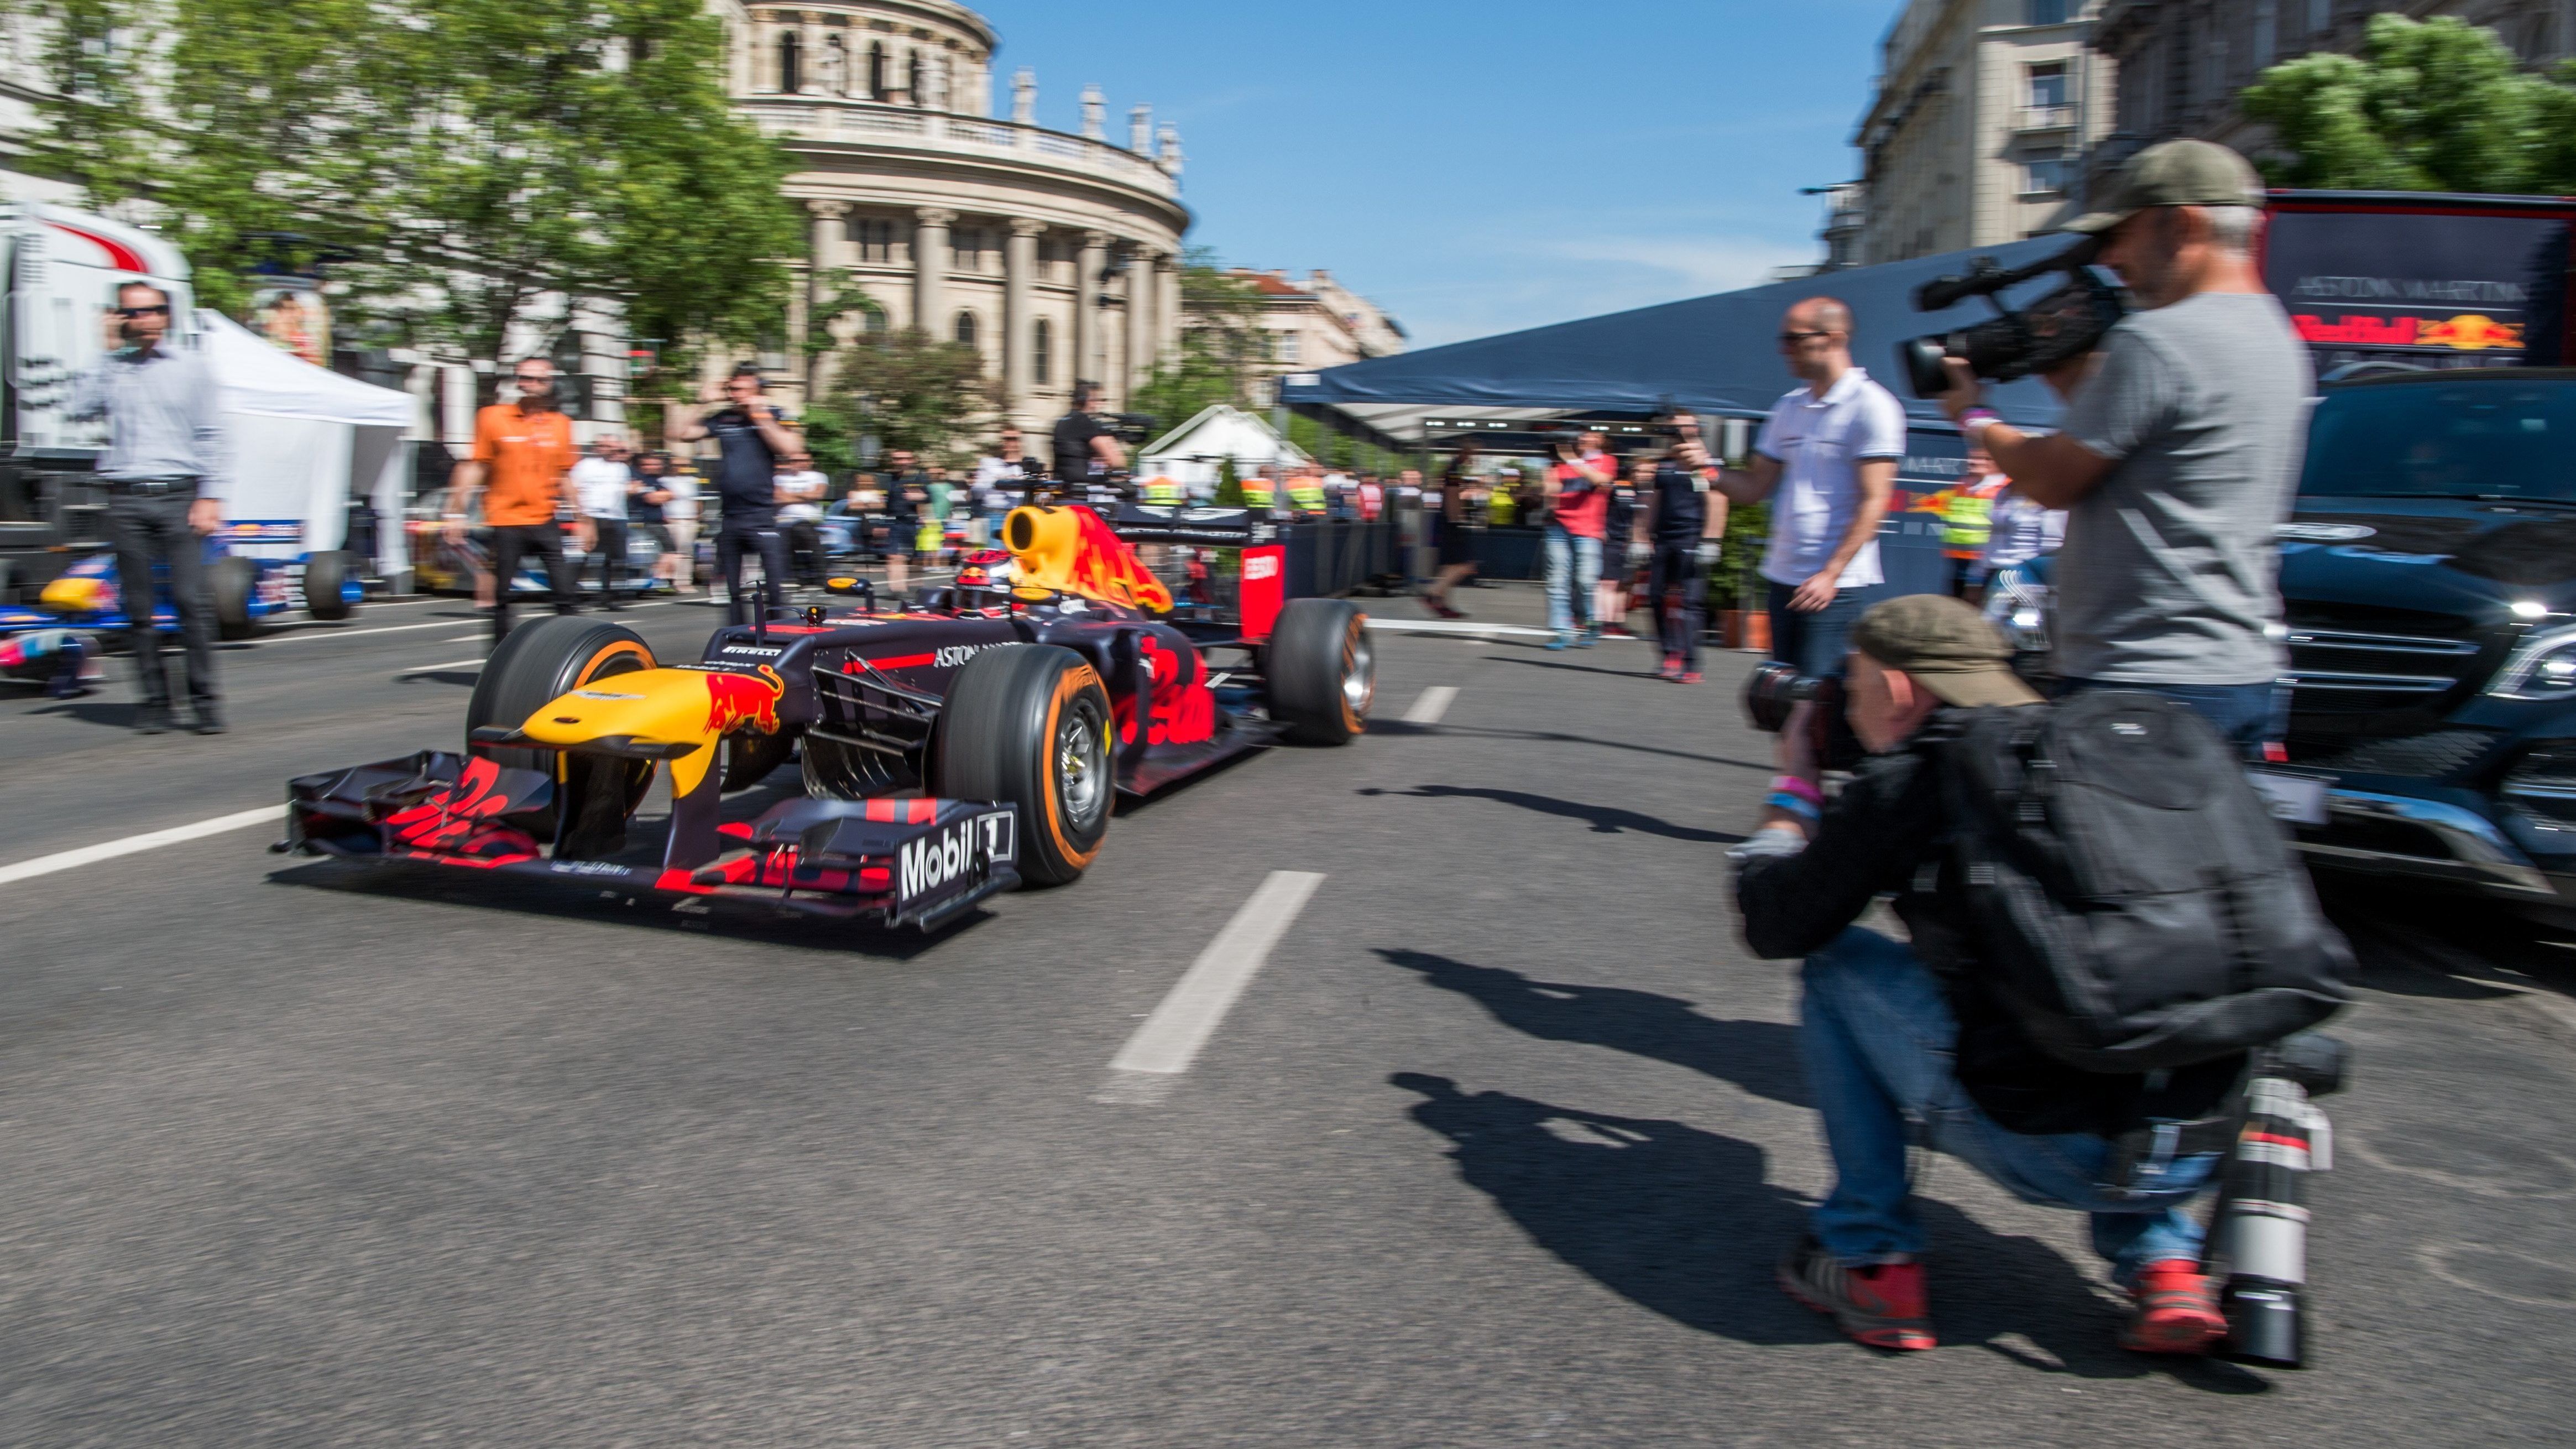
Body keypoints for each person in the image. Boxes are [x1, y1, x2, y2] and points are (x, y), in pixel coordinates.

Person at [1734, 595, 2237, 1357]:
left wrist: (1795, 789)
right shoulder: (2093, 748)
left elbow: (1772, 922)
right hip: (2207, 1139)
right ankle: (2163, 1260)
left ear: (1898, 689)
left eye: (1851, 680)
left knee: (1837, 964)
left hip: (2057, 1150)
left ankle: (1869, 1258)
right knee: (2118, 999)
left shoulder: (1920, 782)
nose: (1839, 700)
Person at [1936, 138, 2309, 755]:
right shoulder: (2275, 334)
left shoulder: (2159, 338)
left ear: (2182, 223)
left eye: (2120, 233)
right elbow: (2158, 451)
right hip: (2233, 668)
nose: (2110, 257)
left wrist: (1972, 414)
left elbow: (2051, 481)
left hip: (2142, 676)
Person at [1712, 298, 1905, 822]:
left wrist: (1831, 572)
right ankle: (1810, 814)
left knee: (1810, 710)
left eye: (1794, 338)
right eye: (1784, 339)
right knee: (1784, 705)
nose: (1784, 350)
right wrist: (1706, 470)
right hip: (1783, 576)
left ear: (1834, 338)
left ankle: (1803, 822)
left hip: (1835, 586)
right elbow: (1753, 488)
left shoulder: (1872, 406)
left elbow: (1875, 501)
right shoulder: (1789, 407)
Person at [67, 280, 229, 734]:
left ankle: (205, 701)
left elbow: (213, 435)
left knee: (190, 603)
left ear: (166, 315)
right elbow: (76, 409)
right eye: (132, 313)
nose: (144, 320)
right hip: (125, 499)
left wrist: (210, 496)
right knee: (138, 611)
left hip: (180, 497)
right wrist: (105, 350)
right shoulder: (113, 369)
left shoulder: (193, 369)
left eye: (153, 311)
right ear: (119, 318)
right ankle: (156, 702)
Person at [449, 356, 581, 645]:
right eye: (526, 378)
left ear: (551, 384)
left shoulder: (561, 424)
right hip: (505, 520)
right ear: (519, 382)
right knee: (503, 597)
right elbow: (475, 467)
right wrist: (455, 514)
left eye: (540, 380)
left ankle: (574, 657)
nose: (532, 385)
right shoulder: (492, 417)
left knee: (566, 595)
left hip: (545, 519)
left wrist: (583, 519)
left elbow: (564, 475)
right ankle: (498, 662)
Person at [670, 362, 802, 626]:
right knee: (732, 591)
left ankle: (777, 636)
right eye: (731, 388)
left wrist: (760, 416)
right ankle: (737, 636)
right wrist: (702, 402)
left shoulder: (774, 413)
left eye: (741, 389)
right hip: (731, 516)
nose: (734, 394)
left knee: (774, 590)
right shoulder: (723, 418)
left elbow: (791, 447)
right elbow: (677, 434)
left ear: (757, 389)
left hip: (762, 516)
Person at [1649, 415, 1729, 683]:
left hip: (1692, 539)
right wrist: (1639, 537)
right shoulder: (1665, 464)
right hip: (1664, 539)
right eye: (1674, 425)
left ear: (1696, 428)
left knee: (1690, 602)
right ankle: (1670, 654)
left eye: (1684, 424)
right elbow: (1653, 502)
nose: (1678, 429)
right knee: (1656, 597)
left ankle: (1691, 662)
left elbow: (1717, 500)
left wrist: (1711, 540)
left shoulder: (1708, 461)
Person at [1542, 431, 1614, 650]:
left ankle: (1592, 622)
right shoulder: (1558, 464)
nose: (1583, 439)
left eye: (1589, 436)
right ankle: (1562, 630)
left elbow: (1601, 481)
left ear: (1599, 440)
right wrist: (1548, 480)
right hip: (1559, 528)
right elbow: (1551, 495)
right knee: (1557, 580)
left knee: (1586, 580)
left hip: (1588, 530)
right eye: (1580, 436)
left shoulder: (1606, 461)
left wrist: (1573, 459)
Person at [569, 434, 634, 609]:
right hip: (592, 516)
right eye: (604, 446)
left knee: (615, 560)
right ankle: (569, 593)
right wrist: (580, 514)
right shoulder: (585, 466)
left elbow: (626, 490)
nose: (609, 450)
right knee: (584, 556)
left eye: (613, 447)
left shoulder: (623, 468)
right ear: (597, 448)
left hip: (617, 517)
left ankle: (609, 596)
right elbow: (572, 488)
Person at [1941, 447, 2010, 600]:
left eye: (1982, 458)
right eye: (1972, 457)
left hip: (1985, 561)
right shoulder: (1962, 485)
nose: (1973, 462)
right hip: (1958, 557)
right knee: (1956, 603)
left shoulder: (2005, 488)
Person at [1422, 445, 1481, 619]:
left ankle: (1442, 602)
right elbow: (1451, 495)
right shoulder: (1454, 470)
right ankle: (1433, 594)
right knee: (1465, 565)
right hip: (1451, 522)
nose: (1474, 458)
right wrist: (1458, 519)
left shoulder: (1452, 468)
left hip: (1448, 521)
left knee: (1450, 566)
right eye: (1473, 453)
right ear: (1465, 452)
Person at [1596, 460, 1645, 639]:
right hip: (1612, 539)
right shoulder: (1614, 488)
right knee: (1608, 583)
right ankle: (1604, 621)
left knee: (1625, 584)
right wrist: (1600, 529)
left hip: (1630, 543)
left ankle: (1617, 621)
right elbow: (1599, 508)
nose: (1642, 475)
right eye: (1638, 471)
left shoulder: (1642, 492)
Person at [1051, 381, 1126, 494]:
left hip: (1064, 489)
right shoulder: (1085, 422)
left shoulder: (1061, 422)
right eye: (1095, 400)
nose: (1098, 404)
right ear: (1084, 400)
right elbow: (1117, 461)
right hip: (1085, 493)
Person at [774, 448, 829, 590]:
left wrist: (791, 496)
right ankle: (800, 577)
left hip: (809, 520)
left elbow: (817, 495)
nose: (799, 463)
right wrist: (805, 495)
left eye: (803, 460)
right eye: (795, 461)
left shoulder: (819, 477)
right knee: (787, 537)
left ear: (810, 462)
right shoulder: (780, 478)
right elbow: (778, 498)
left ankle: (820, 578)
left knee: (803, 531)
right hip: (785, 521)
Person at [628, 451, 679, 591]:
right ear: (643, 465)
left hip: (656, 522)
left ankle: (658, 580)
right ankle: (655, 581)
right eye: (652, 464)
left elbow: (671, 494)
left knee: (668, 551)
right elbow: (651, 498)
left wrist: (661, 496)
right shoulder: (636, 477)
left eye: (658, 464)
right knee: (657, 552)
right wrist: (660, 496)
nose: (657, 467)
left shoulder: (653, 480)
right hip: (643, 523)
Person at [880, 448, 926, 595]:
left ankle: (915, 589)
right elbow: (886, 502)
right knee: (894, 556)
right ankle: (897, 590)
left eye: (906, 459)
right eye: (898, 459)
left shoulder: (919, 478)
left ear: (912, 460)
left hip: (913, 522)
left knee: (914, 559)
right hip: (895, 522)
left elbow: (929, 497)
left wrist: (920, 498)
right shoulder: (890, 479)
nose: (902, 462)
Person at [661, 457, 702, 593]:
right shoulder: (664, 481)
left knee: (686, 553)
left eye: (684, 464)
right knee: (673, 553)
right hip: (673, 520)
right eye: (677, 465)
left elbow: (697, 499)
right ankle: (668, 581)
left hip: (689, 520)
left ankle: (683, 582)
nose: (680, 467)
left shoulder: (692, 481)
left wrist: (698, 515)